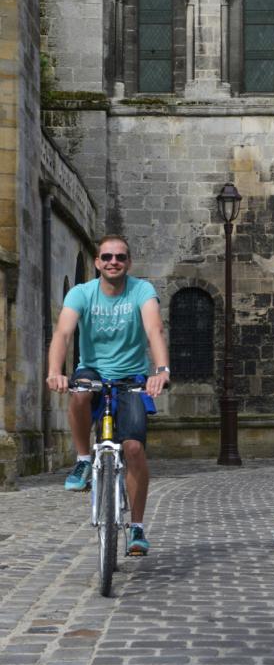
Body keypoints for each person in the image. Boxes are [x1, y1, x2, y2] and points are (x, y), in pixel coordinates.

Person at [46, 234, 170, 556]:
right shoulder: (82, 293)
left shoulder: (141, 291)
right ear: (97, 262)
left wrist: (161, 370)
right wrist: (55, 371)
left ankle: (138, 527)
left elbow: (154, 330)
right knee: (79, 393)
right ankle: (84, 460)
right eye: (107, 257)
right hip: (94, 371)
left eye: (120, 257)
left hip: (131, 377)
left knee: (132, 449)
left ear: (128, 262)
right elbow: (62, 332)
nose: (113, 261)